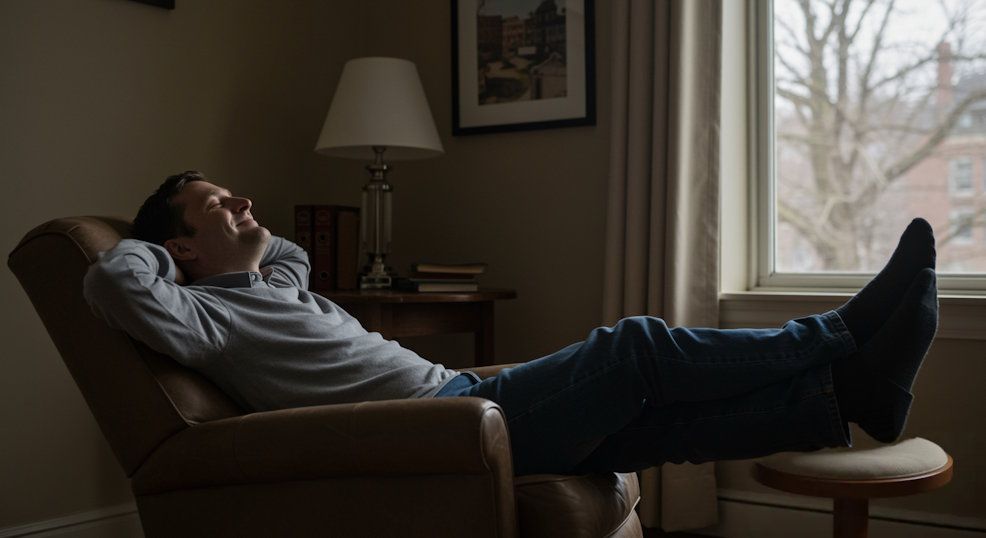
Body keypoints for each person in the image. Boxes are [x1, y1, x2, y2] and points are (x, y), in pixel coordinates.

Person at [83, 171, 939, 476]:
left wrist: (238, 235)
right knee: (634, 346)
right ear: (178, 251)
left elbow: (292, 257)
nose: (242, 202)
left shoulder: (270, 286)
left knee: (650, 427)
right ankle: (839, 335)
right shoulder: (201, 314)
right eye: (214, 205)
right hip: (442, 424)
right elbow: (112, 289)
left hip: (463, 401)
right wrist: (148, 247)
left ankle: (849, 397)